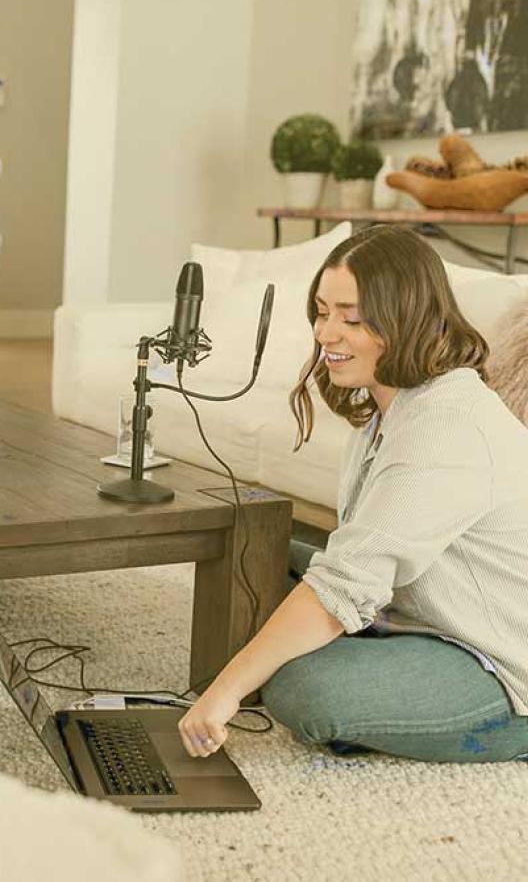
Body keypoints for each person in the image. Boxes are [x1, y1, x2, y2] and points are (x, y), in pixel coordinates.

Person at [179, 224, 528, 763]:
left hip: (499, 659)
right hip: (419, 611)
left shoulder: (446, 429)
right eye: (321, 311)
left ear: (404, 321)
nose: (326, 333)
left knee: (307, 692)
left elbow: (346, 582)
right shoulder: (393, 408)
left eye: (353, 318)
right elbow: (350, 565)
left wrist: (223, 692)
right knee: (255, 548)